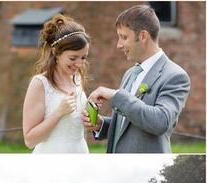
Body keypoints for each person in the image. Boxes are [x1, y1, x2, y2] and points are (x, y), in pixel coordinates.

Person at [82, 5, 190, 153]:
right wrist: (102, 125)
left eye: (124, 37)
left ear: (143, 36)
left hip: (148, 172)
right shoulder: (131, 73)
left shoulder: (175, 76)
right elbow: (128, 125)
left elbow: (160, 122)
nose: (119, 45)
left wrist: (116, 96)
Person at [23, 15, 90, 154]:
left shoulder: (77, 78)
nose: (79, 64)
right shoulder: (39, 84)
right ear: (56, 53)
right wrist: (59, 112)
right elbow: (29, 140)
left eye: (83, 57)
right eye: (73, 58)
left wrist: (90, 114)